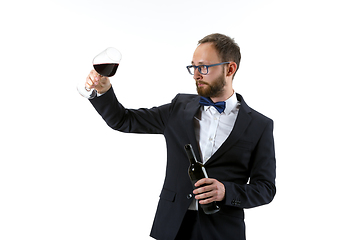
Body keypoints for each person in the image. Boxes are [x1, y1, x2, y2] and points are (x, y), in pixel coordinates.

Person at [85, 33, 276, 240]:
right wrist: (104, 91)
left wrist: (226, 192)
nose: (196, 75)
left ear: (230, 69)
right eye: (193, 67)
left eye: (203, 67)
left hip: (223, 231)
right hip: (172, 226)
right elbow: (124, 120)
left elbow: (265, 188)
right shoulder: (179, 108)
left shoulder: (259, 125)